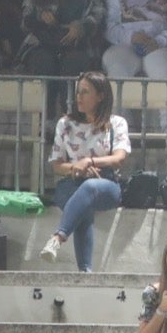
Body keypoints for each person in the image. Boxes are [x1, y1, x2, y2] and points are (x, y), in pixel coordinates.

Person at [40, 71, 130, 271]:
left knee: (89, 189)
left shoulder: (116, 123)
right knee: (83, 208)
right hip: (71, 181)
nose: (78, 97)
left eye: (85, 92)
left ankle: (58, 237)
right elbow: (56, 164)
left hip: (104, 182)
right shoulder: (65, 124)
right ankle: (85, 272)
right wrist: (76, 168)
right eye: (78, 92)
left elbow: (119, 158)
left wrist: (89, 162)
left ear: (100, 96)